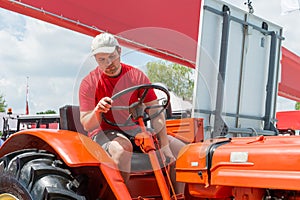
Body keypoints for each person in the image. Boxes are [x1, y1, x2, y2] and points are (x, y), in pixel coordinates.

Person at [79, 32, 185, 194]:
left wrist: (164, 146)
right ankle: (118, 196)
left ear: (119, 51)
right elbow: (87, 123)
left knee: (182, 151)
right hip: (103, 132)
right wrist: (98, 110)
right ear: (96, 59)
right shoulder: (89, 83)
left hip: (133, 129)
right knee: (122, 150)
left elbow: (155, 111)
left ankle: (178, 196)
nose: (109, 63)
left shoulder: (135, 76)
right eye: (102, 60)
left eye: (112, 57)